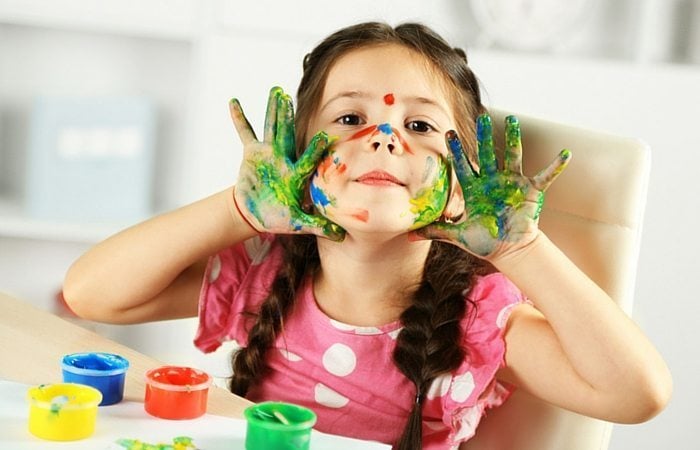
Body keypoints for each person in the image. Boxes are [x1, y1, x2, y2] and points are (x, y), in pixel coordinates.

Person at [63, 22, 672, 450]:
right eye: (351, 119)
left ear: (464, 180)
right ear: (297, 154)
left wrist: (521, 248)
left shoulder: (476, 324)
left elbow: (636, 395)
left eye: (419, 125)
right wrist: (239, 212)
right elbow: (92, 295)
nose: (384, 139)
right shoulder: (263, 276)